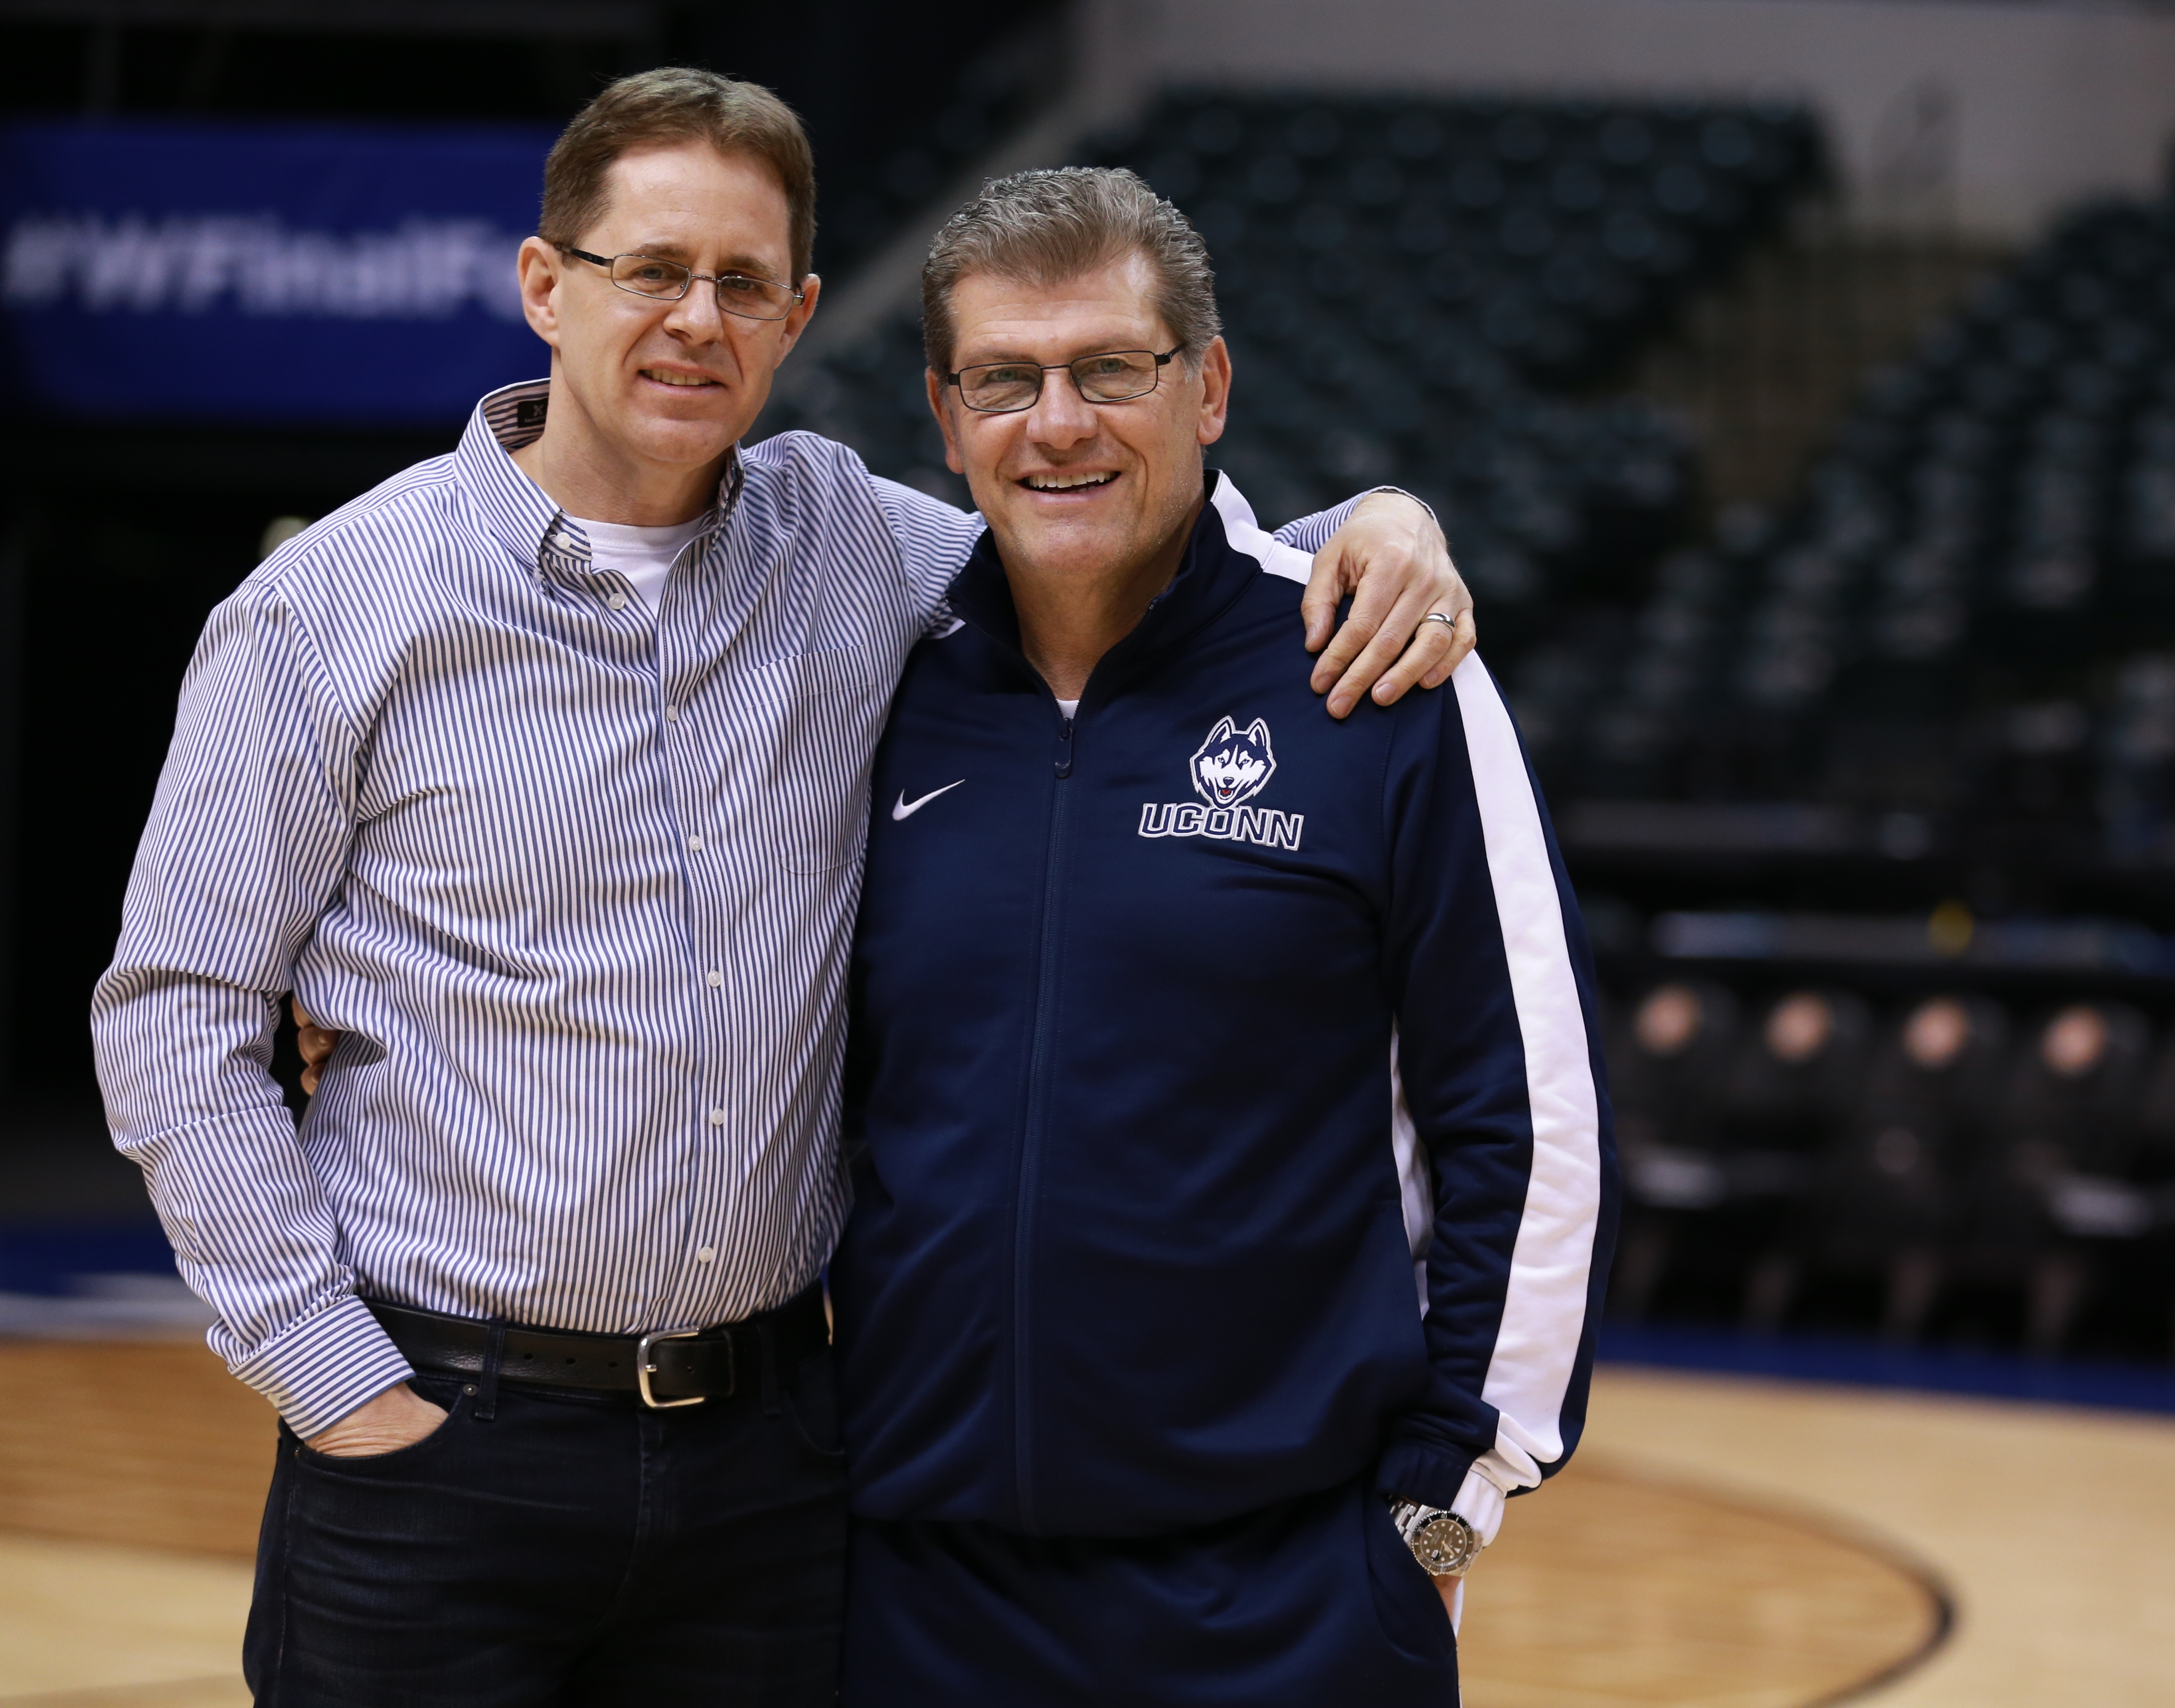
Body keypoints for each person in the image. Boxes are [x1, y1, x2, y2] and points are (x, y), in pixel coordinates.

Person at [89, 71, 1473, 1708]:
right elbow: (177, 1015)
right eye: (650, 270)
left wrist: (1375, 526)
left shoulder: (849, 542)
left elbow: (1102, 515)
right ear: (546, 286)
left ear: (801, 312)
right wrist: (338, 1387)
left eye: (744, 284)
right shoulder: (329, 608)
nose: (696, 319)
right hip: (441, 1450)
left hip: (769, 1468)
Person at [832, 167, 1617, 1707]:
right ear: (943, 416)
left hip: (1288, 1601)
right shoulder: (877, 687)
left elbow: (1530, 1120)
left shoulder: (1379, 667)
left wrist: (1443, 1512)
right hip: (923, 1595)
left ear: (1208, 388)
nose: (1056, 424)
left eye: (1109, 371)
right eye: (1005, 379)